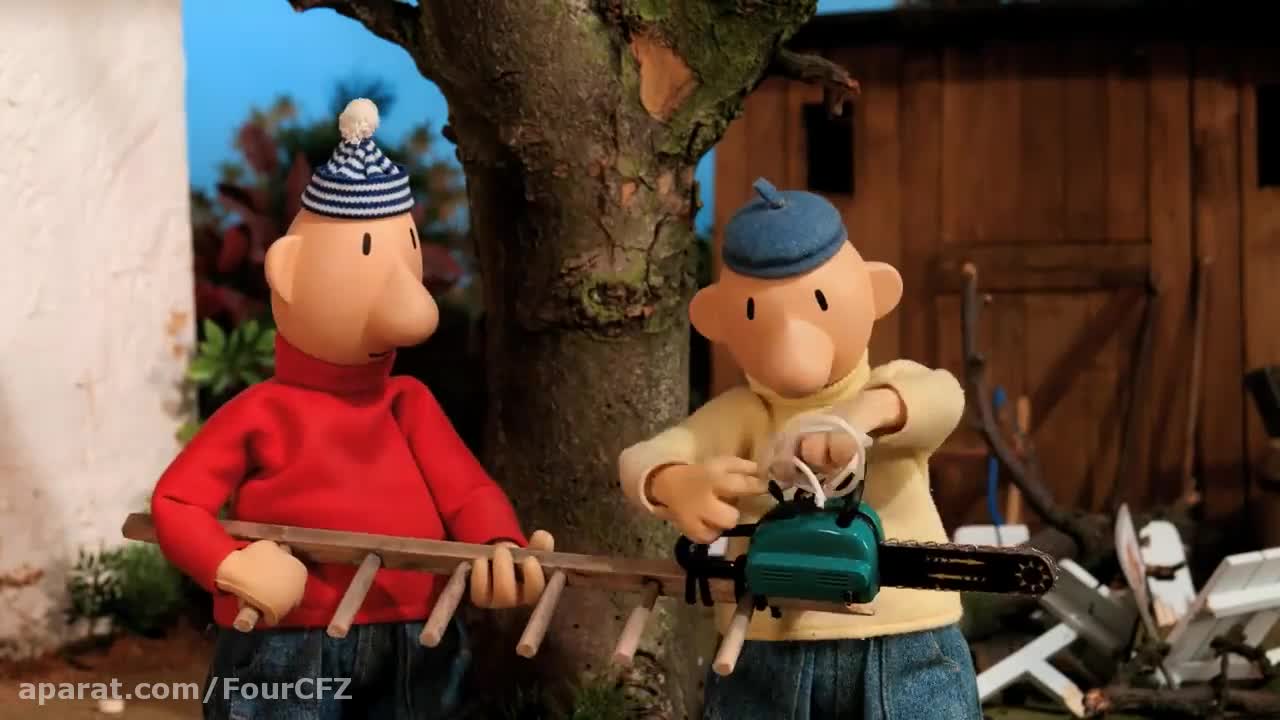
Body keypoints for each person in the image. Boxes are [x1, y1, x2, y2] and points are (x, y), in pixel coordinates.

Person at [152, 99, 553, 720]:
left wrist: (497, 540)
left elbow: (467, 491)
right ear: (287, 272)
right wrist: (227, 565)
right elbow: (177, 503)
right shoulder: (263, 412)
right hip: (291, 634)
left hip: (418, 633)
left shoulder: (407, 402)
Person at [618, 178, 981, 719]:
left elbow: (943, 397)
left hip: (905, 637)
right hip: (766, 643)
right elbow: (640, 457)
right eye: (753, 314)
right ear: (717, 320)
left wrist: (861, 418)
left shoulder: (889, 388)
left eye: (819, 303)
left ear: (874, 291)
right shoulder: (740, 414)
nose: (790, 339)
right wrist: (674, 481)